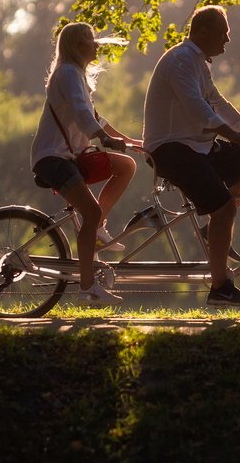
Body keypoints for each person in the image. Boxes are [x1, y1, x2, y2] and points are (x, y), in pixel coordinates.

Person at [142, 5, 240, 306]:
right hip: (171, 148)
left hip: (197, 145)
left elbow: (218, 103)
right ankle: (220, 287)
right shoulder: (181, 60)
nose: (228, 40)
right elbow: (198, 108)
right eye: (223, 33)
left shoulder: (199, 63)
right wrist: (233, 135)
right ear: (202, 32)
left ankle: (212, 228)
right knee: (225, 207)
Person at [31, 22, 143, 305]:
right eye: (91, 40)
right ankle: (87, 288)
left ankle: (97, 231)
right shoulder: (68, 73)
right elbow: (83, 116)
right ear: (78, 45)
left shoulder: (76, 74)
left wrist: (130, 141)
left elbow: (95, 118)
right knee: (89, 213)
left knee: (126, 165)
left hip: (70, 156)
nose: (97, 45)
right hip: (53, 158)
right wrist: (104, 138)